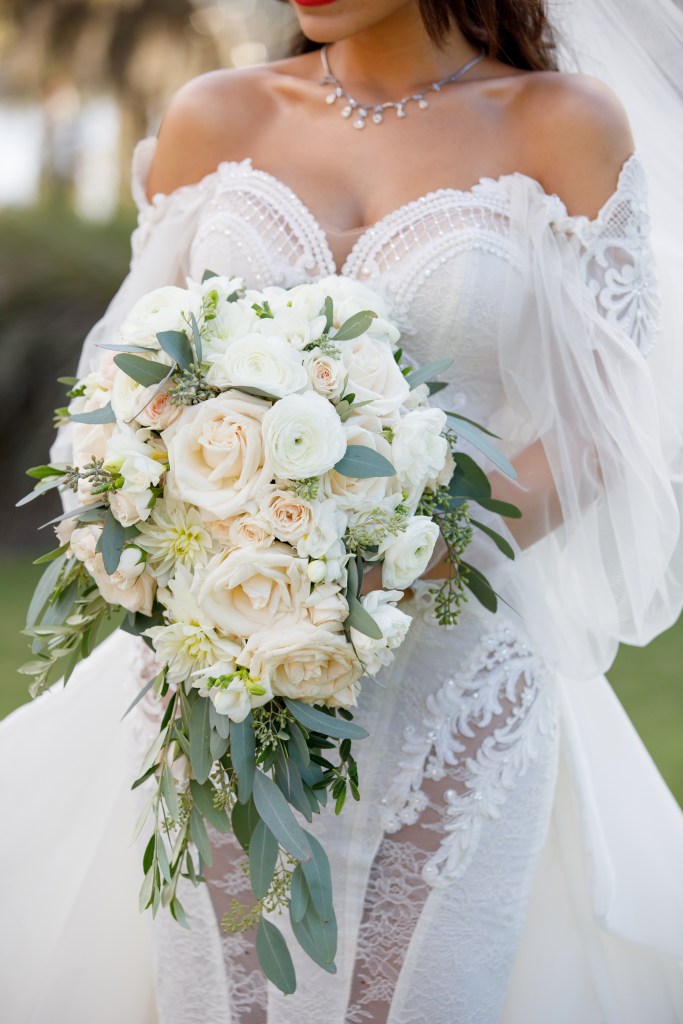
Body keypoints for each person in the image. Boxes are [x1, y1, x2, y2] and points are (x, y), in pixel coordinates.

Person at [2, 1, 683, 1021]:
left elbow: (608, 427)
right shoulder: (213, 116)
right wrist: (175, 510)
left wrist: (385, 535)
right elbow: (116, 392)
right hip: (214, 689)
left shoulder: (562, 124)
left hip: (454, 693)